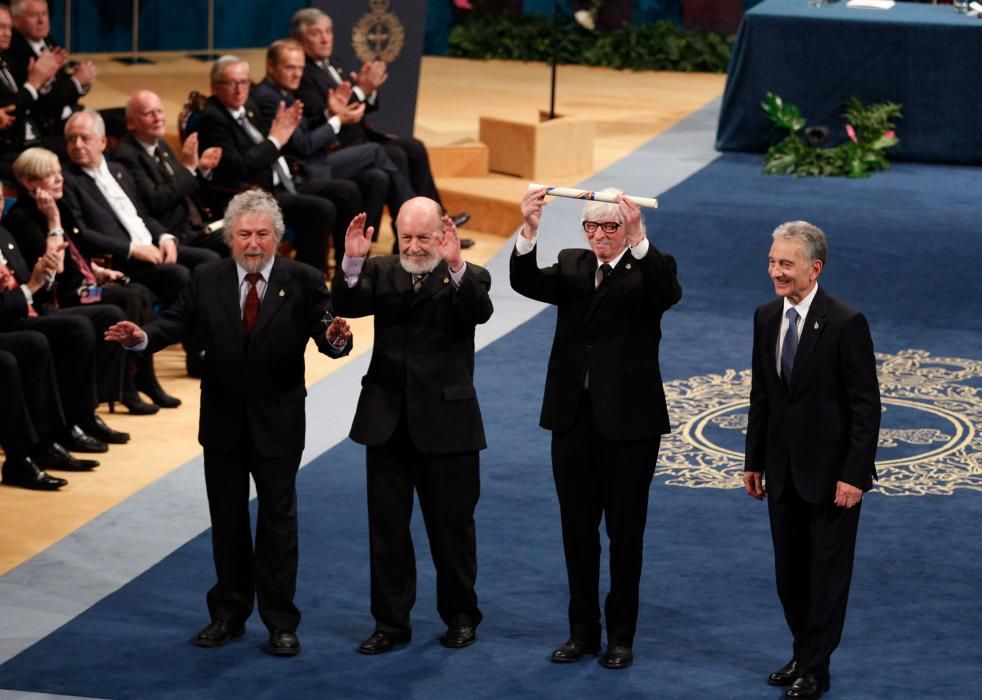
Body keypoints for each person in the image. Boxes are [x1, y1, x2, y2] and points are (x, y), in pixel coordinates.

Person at [105, 189, 353, 657]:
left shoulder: (302, 280)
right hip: (221, 422)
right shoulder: (207, 277)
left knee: (278, 522)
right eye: (244, 234)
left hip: (278, 421)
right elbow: (174, 323)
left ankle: (281, 621)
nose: (253, 243)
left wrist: (338, 338)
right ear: (229, 237)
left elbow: (328, 334)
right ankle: (227, 614)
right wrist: (142, 338)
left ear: (277, 237)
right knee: (228, 520)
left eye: (262, 234)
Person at [510, 187, 681, 670]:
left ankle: (621, 637)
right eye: (592, 227)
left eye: (610, 227)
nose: (600, 235)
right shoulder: (572, 264)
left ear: (626, 228)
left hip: (630, 426)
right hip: (572, 418)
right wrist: (529, 228)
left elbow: (668, 294)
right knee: (576, 532)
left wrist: (642, 237)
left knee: (626, 535)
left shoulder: (651, 269)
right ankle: (582, 632)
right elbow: (525, 282)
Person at [332, 197, 491, 655]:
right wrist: (352, 260)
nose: (416, 246)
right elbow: (346, 302)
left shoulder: (469, 274)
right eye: (407, 238)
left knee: (453, 529)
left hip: (448, 426)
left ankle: (461, 616)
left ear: (442, 232)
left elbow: (478, 311)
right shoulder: (381, 271)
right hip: (386, 423)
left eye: (425, 237)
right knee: (387, 532)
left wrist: (457, 263)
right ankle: (390, 623)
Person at [744, 221, 880, 700]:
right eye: (771, 261)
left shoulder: (845, 322)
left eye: (785, 263)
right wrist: (753, 460)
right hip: (781, 473)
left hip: (831, 479)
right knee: (791, 574)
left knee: (826, 577)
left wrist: (854, 474)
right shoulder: (765, 317)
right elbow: (763, 394)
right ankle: (802, 652)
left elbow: (866, 406)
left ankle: (816, 669)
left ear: (814, 268)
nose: (775, 272)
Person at [5, 146, 176, 413]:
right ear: (29, 182)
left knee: (139, 292)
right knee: (124, 301)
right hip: (62, 296)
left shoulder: (58, 203)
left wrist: (97, 270)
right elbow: (57, 268)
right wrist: (53, 220)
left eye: (59, 172)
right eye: (50, 175)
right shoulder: (23, 217)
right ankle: (124, 390)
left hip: (83, 285)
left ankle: (144, 380)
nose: (59, 179)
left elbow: (78, 251)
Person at [290, 8, 471, 242]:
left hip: (361, 137)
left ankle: (437, 217)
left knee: (414, 146)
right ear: (300, 40)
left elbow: (360, 104)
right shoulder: (301, 73)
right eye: (317, 34)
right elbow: (324, 115)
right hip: (338, 146)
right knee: (396, 155)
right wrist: (361, 90)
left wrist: (369, 92)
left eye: (328, 32)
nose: (326, 39)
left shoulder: (334, 63)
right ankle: (415, 232)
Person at [195, 54, 361, 273]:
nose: (239, 89)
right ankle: (307, 278)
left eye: (244, 82)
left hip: (286, 180)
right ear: (215, 86)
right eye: (231, 83)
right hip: (256, 195)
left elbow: (287, 140)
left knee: (347, 191)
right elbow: (240, 165)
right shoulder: (214, 119)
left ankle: (348, 270)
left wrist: (328, 115)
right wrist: (275, 140)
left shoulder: (249, 106)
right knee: (322, 210)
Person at [252, 39, 414, 253]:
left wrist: (329, 114)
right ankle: (411, 224)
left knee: (377, 177)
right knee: (377, 151)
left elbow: (304, 130)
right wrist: (338, 120)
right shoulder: (268, 97)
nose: (297, 74)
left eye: (300, 68)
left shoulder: (283, 91)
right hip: (302, 169)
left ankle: (359, 250)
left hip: (314, 160)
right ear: (270, 67)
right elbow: (303, 146)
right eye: (290, 67)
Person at [112, 89, 228, 257]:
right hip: (170, 235)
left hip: (193, 225)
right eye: (149, 113)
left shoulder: (161, 144)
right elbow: (156, 201)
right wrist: (188, 168)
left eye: (159, 111)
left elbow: (180, 186)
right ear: (131, 123)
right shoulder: (126, 156)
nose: (158, 118)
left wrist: (199, 168)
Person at [5, 0, 96, 142]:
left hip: (68, 113)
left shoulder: (47, 40)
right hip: (46, 128)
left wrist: (80, 81)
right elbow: (41, 106)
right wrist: (76, 82)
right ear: (16, 20)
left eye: (45, 13)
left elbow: (60, 84)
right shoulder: (13, 51)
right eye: (34, 15)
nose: (42, 20)